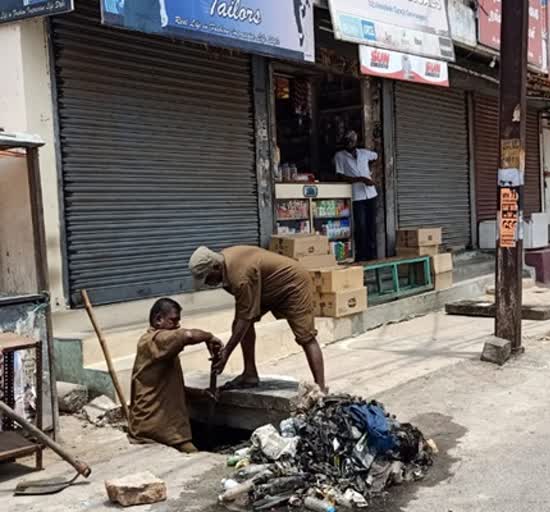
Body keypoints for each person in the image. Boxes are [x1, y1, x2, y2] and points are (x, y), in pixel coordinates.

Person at [188, 245, 326, 390]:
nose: (208, 283)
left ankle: (321, 389)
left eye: (208, 278)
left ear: (216, 267)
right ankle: (250, 374)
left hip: (293, 284)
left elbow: (245, 318)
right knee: (239, 326)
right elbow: (243, 317)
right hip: (264, 287)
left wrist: (226, 353)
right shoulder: (223, 264)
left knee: (306, 337)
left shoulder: (239, 276)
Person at [129, 298, 222, 453]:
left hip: (163, 428)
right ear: (158, 320)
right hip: (154, 430)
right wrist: (209, 336)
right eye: (173, 320)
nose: (177, 325)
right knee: (194, 455)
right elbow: (188, 336)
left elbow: (168, 388)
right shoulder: (154, 340)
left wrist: (201, 394)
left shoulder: (165, 349)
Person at [334, 131, 379, 261]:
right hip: (357, 196)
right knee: (361, 226)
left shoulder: (364, 153)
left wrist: (370, 170)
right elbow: (341, 177)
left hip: (371, 194)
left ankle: (372, 256)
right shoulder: (340, 156)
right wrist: (361, 179)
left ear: (355, 142)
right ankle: (361, 256)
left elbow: (376, 156)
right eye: (347, 141)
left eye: (351, 141)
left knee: (371, 226)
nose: (349, 143)